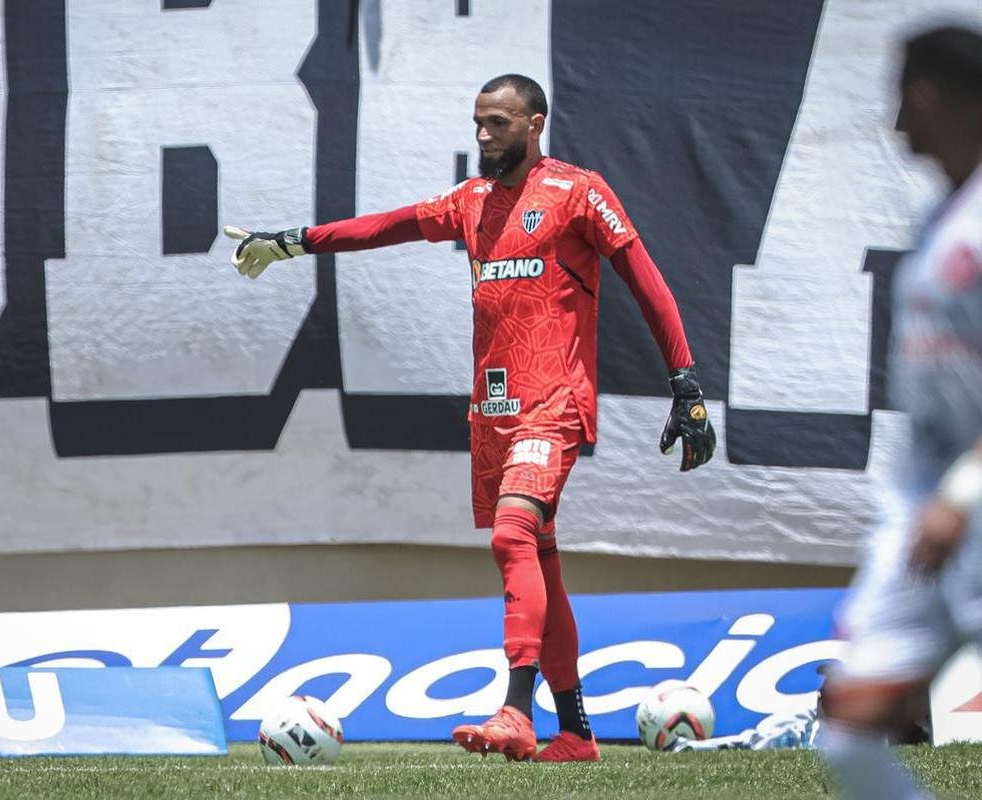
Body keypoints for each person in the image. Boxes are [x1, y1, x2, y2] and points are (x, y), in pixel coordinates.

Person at [224, 74, 715, 762]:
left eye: (498, 123)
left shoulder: (578, 192)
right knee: (539, 559)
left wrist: (685, 385)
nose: (484, 135)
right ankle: (576, 734)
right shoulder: (472, 200)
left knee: (513, 535)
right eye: (478, 122)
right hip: (493, 413)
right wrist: (295, 241)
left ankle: (516, 711)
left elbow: (647, 280)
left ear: (535, 124)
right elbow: (386, 226)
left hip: (554, 404)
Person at [819, 25, 982, 799]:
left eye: (903, 100)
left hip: (962, 506)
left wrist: (963, 494)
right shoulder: (939, 222)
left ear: (930, 96)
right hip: (925, 519)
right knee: (849, 724)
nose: (893, 123)